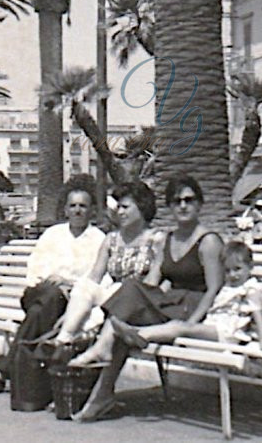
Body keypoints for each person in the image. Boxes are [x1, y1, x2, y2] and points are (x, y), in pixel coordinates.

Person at [68, 174, 224, 422]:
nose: (183, 206)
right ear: (170, 207)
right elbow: (151, 282)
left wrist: (192, 323)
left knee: (123, 324)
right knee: (125, 316)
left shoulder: (208, 241)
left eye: (189, 200)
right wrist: (134, 303)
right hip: (169, 303)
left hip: (192, 306)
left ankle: (100, 377)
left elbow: (214, 289)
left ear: (199, 204)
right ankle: (101, 393)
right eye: (176, 201)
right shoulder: (169, 239)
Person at [0, 175, 106, 397]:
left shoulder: (98, 239)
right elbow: (35, 268)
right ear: (65, 210)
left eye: (83, 206)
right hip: (39, 293)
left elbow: (97, 278)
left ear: (92, 210)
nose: (77, 211)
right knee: (48, 298)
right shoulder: (53, 234)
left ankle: (5, 373)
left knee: (42, 311)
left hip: (72, 301)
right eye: (72, 206)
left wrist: (70, 284)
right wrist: (52, 280)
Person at [48, 180, 164, 349]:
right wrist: (72, 310)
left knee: (107, 300)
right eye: (119, 207)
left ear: (142, 208)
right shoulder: (112, 239)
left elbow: (152, 283)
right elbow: (94, 278)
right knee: (85, 286)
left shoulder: (157, 239)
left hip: (139, 300)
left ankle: (66, 341)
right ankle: (64, 338)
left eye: (125, 207)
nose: (120, 212)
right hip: (111, 297)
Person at [107, 241, 262, 351]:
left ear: (250, 267)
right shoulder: (230, 286)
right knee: (179, 325)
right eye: (228, 271)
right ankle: (138, 334)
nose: (232, 275)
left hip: (228, 334)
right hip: (214, 328)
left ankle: (141, 334)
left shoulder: (250, 288)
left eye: (237, 269)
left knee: (180, 326)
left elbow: (258, 312)